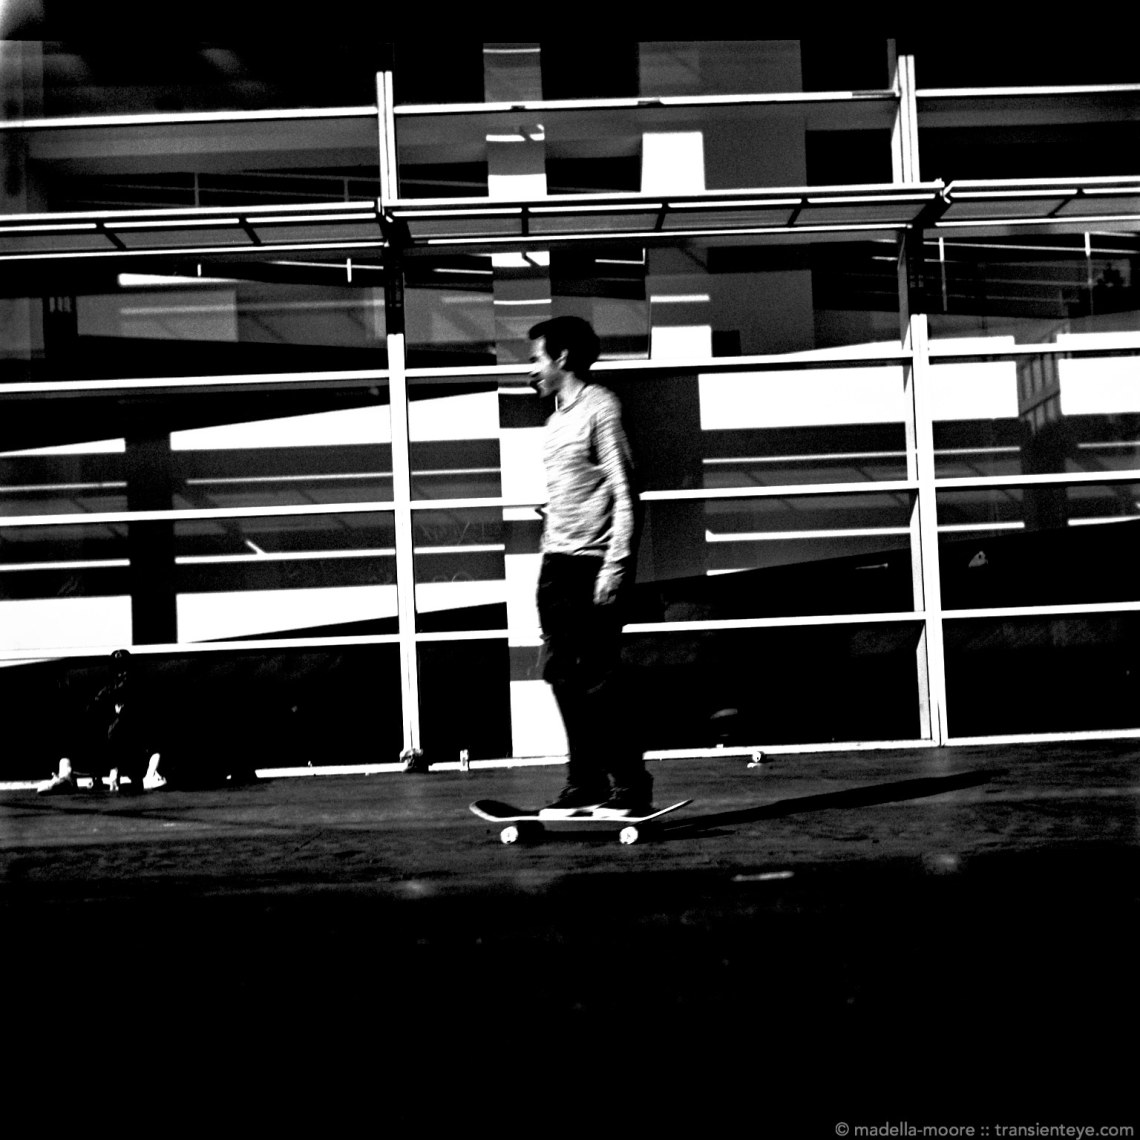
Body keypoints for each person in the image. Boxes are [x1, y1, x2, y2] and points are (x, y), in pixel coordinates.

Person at [528, 315, 653, 818]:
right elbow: (579, 489)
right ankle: (585, 782)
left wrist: (616, 567)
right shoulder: (555, 421)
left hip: (594, 564)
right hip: (556, 565)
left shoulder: (601, 407)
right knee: (561, 676)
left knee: (599, 679)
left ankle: (630, 785)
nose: (530, 371)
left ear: (562, 357)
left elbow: (626, 491)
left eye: (536, 359)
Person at [37, 649, 165, 795]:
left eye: (125, 670)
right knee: (73, 728)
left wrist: (116, 771)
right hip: (110, 753)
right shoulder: (107, 693)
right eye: (118, 670)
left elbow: (142, 735)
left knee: (134, 730)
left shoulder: (141, 695)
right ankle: (66, 776)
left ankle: (151, 774)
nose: (122, 675)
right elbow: (88, 719)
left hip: (134, 753)